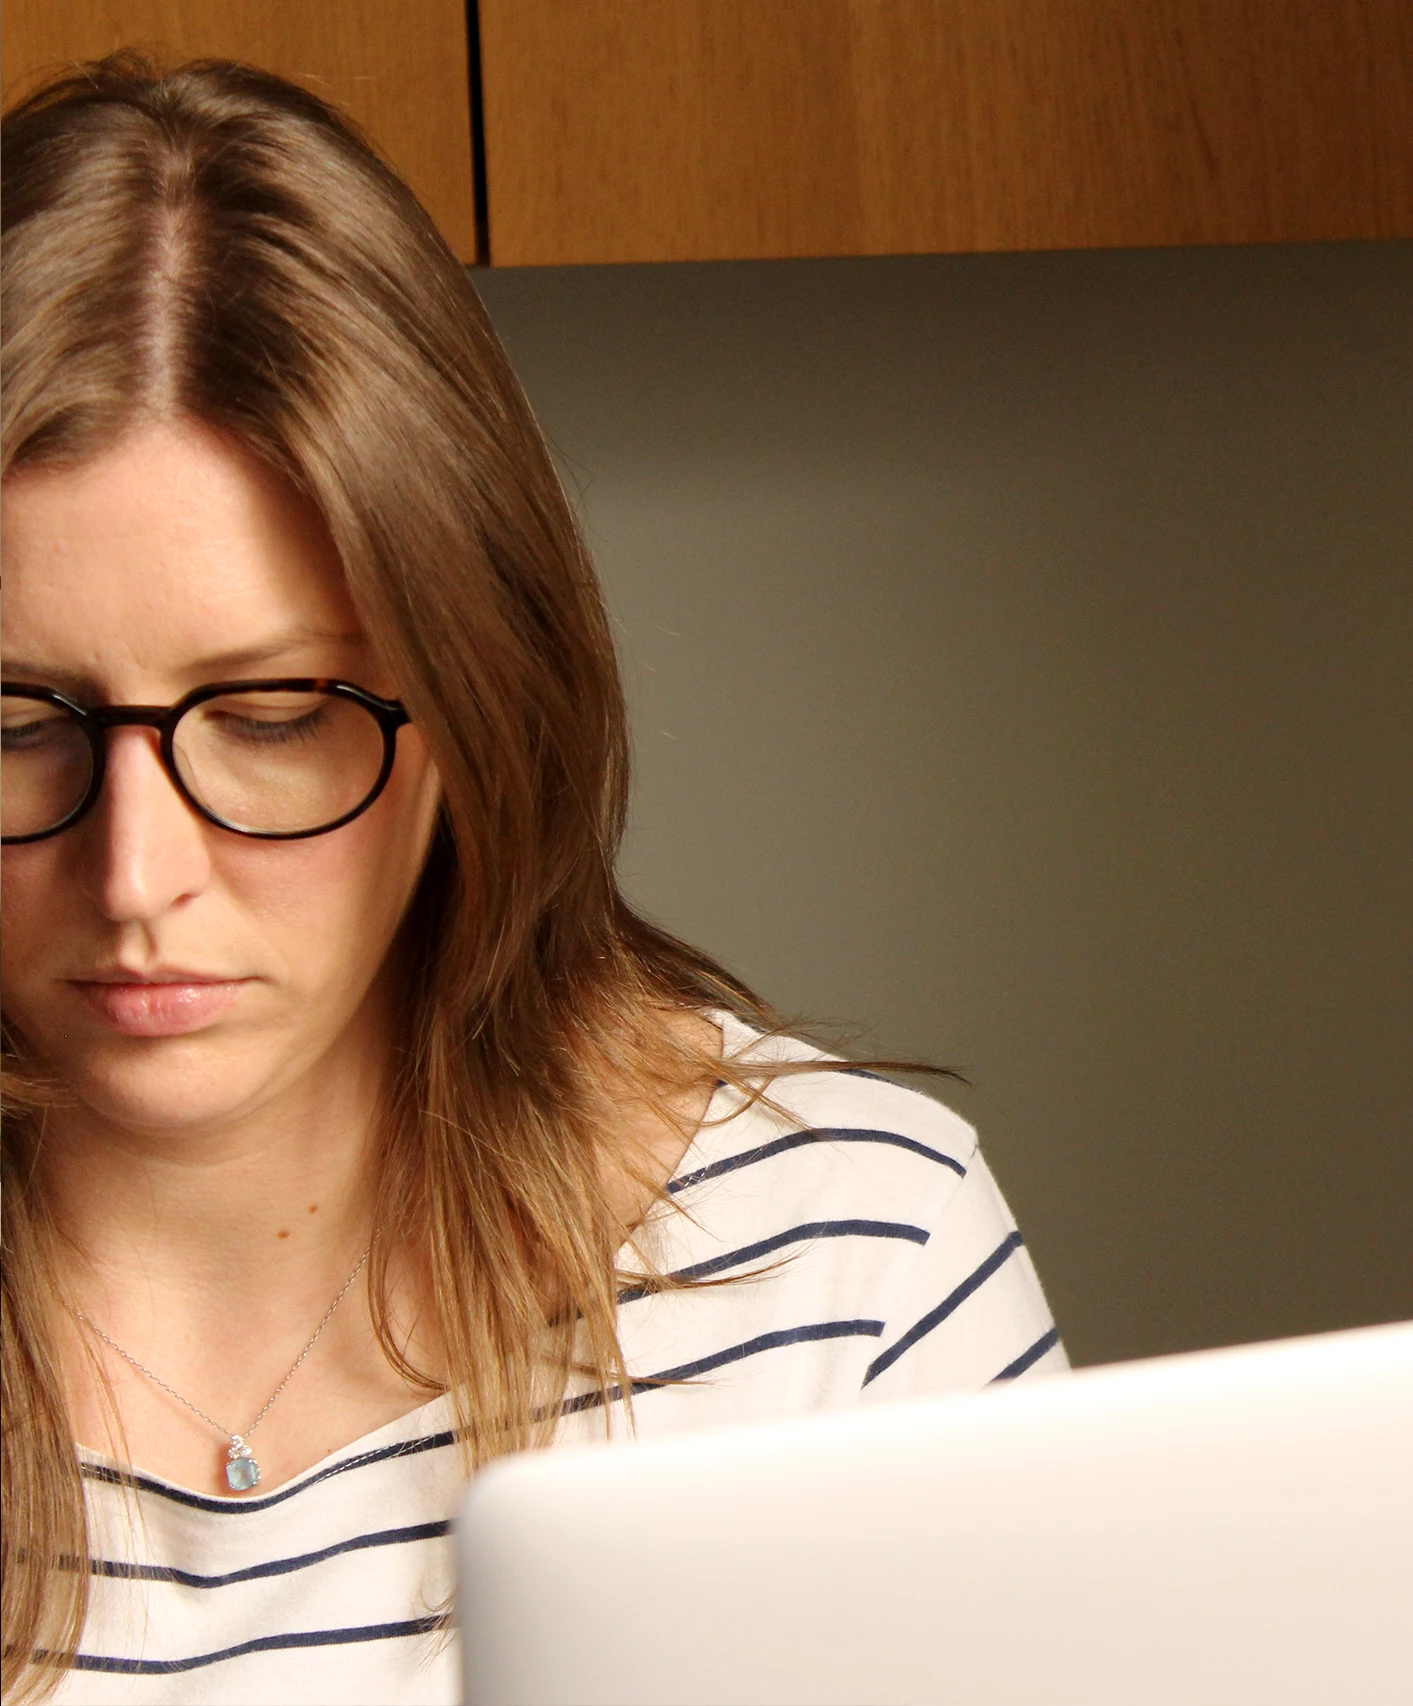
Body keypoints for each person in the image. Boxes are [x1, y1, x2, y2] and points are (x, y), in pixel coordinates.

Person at [0, 55, 1065, 1702]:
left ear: (474, 703)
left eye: (276, 718)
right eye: (17, 726)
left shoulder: (846, 1264)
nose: (137, 872)